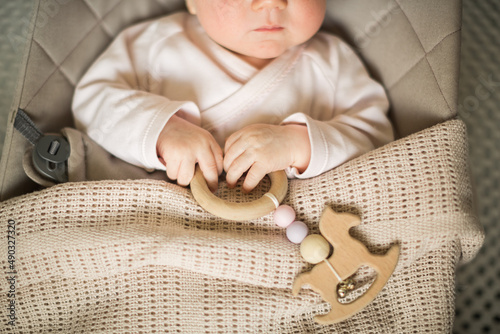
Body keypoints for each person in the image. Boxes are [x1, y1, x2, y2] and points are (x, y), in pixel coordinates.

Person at [72, 0, 394, 193]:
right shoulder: (156, 44)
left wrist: (300, 145)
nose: (271, 3)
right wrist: (161, 131)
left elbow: (377, 140)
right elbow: (93, 102)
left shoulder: (333, 61)